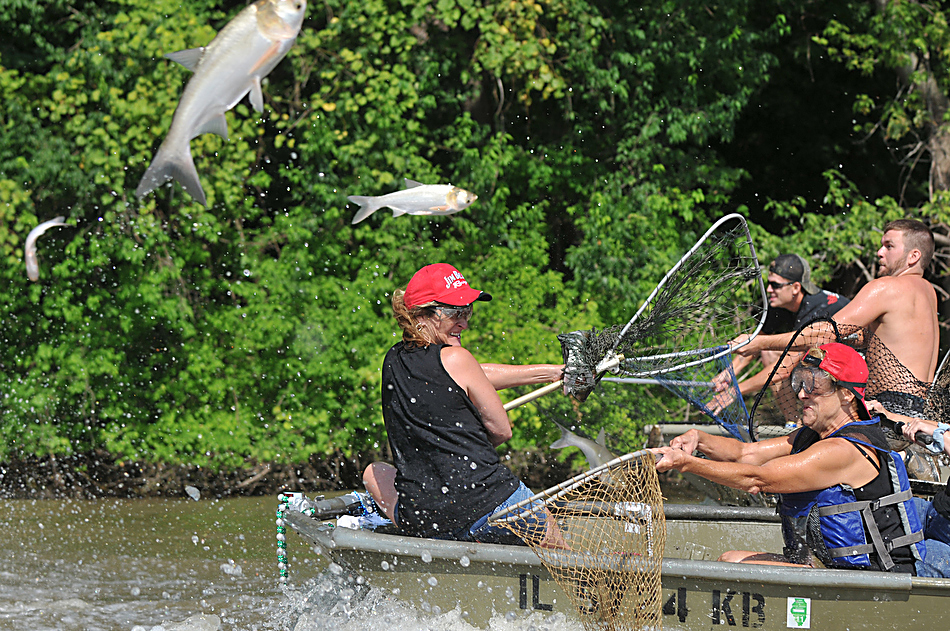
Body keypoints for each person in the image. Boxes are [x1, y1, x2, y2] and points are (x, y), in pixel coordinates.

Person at [652, 343, 926, 573]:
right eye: (800, 382)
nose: (802, 394)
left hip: (872, 578)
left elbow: (757, 478)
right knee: (731, 559)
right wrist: (698, 438)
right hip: (826, 567)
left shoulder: (843, 450)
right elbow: (745, 454)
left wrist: (685, 463)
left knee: (730, 562)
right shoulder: (813, 435)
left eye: (814, 386)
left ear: (846, 394)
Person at [362, 263, 565, 546]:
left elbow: (470, 374)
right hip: (490, 504)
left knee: (374, 472)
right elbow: (502, 431)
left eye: (467, 312)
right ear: (423, 315)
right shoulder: (459, 360)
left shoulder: (392, 361)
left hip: (424, 519)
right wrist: (468, 448)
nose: (465, 323)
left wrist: (553, 372)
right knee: (569, 559)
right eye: (456, 313)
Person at [733, 220, 939, 388]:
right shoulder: (928, 292)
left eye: (889, 246)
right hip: (919, 413)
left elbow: (826, 332)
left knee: (797, 437)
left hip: (888, 411)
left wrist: (758, 343)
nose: (879, 252)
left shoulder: (887, 287)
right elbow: (875, 339)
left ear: (914, 256)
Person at [713, 254, 849, 410]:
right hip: (828, 366)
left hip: (855, 371)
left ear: (796, 288)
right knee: (769, 353)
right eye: (768, 283)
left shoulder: (816, 311)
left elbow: (783, 369)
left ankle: (800, 424)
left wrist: (734, 392)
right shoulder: (781, 304)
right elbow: (755, 344)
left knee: (796, 362)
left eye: (775, 285)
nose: (769, 289)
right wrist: (728, 374)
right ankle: (792, 423)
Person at [899, 418, 950, 578]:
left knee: (905, 561)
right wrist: (884, 413)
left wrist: (943, 437)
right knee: (883, 511)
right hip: (934, 513)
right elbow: (930, 425)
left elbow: (944, 434)